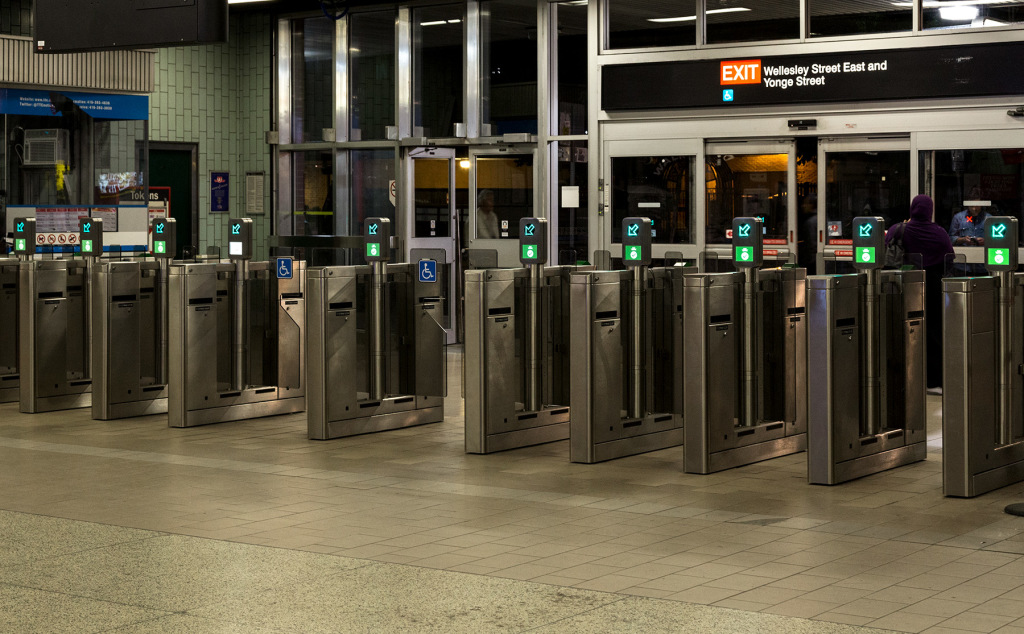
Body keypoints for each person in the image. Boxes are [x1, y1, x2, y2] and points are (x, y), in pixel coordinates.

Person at [886, 194, 954, 395]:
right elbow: (949, 256)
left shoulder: (900, 229)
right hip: (933, 285)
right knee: (933, 330)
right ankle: (933, 379)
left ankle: (905, 374)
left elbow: (885, 246)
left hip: (906, 284)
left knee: (906, 327)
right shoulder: (939, 232)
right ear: (929, 210)